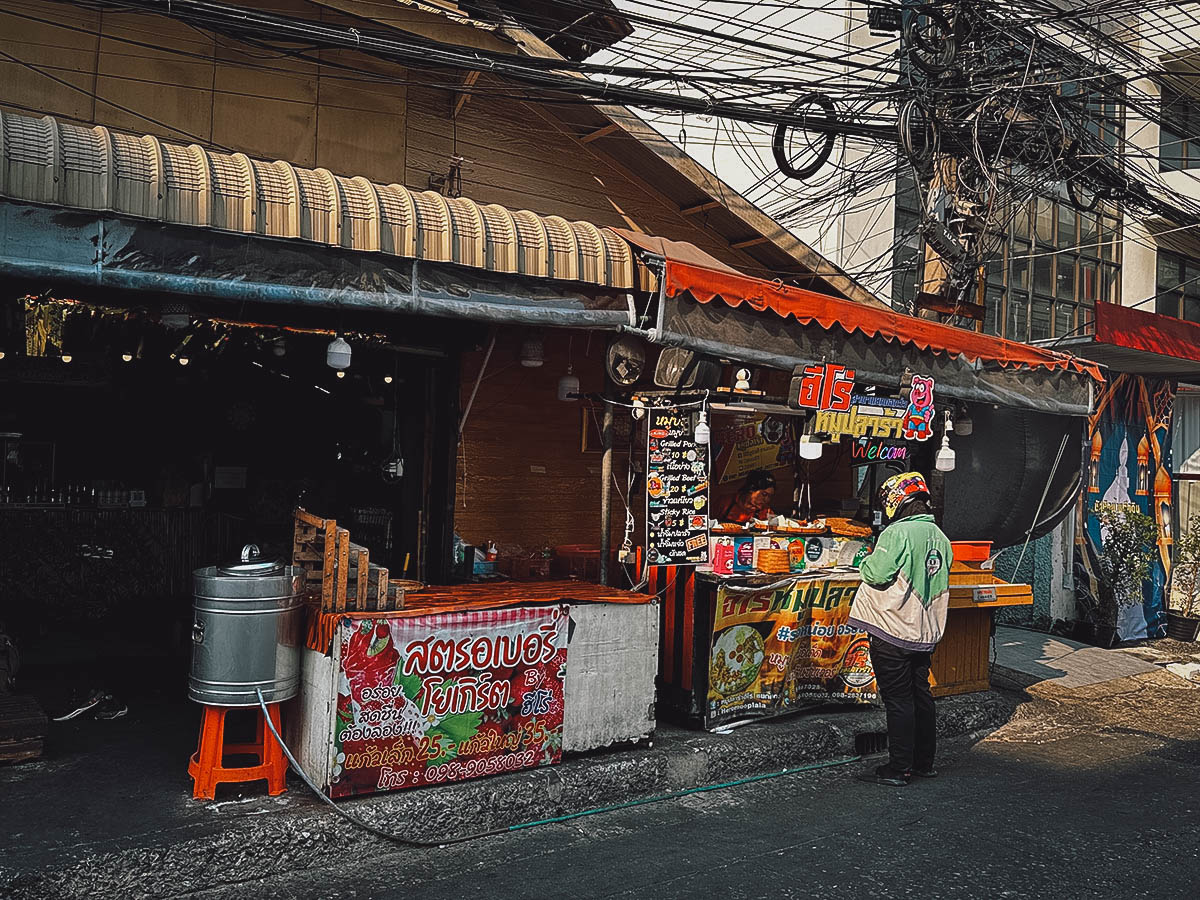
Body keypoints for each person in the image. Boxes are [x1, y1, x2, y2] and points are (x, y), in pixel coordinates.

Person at [848, 471, 953, 786]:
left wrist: (862, 561)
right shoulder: (941, 538)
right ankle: (923, 763)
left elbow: (877, 574)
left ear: (897, 501)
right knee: (921, 695)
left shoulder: (896, 534)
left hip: (893, 628)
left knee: (898, 699)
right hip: (924, 632)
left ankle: (899, 768)